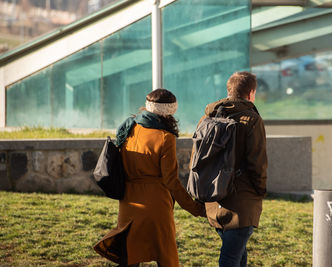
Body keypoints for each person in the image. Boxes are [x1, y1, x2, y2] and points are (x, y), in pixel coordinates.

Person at [94, 88, 205, 267]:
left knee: (130, 255)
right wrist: (194, 208)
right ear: (170, 112)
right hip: (156, 205)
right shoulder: (165, 137)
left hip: (128, 202)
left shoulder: (128, 128)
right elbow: (171, 181)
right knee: (165, 255)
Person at [196, 71, 268, 267]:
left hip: (214, 199)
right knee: (230, 258)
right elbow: (257, 162)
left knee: (238, 253)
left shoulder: (207, 117)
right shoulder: (252, 119)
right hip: (241, 202)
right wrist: (260, 190)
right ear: (251, 92)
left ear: (229, 90)